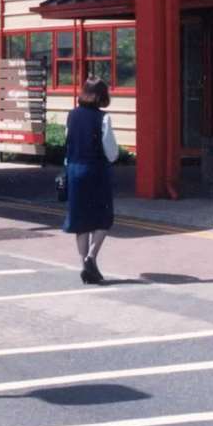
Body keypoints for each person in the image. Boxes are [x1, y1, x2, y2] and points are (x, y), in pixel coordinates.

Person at [63, 78, 119, 283]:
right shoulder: (103, 118)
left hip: (74, 171)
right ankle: (91, 258)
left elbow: (68, 143)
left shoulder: (70, 116)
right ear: (99, 96)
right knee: (103, 218)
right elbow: (111, 151)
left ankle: (84, 265)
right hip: (96, 171)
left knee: (81, 221)